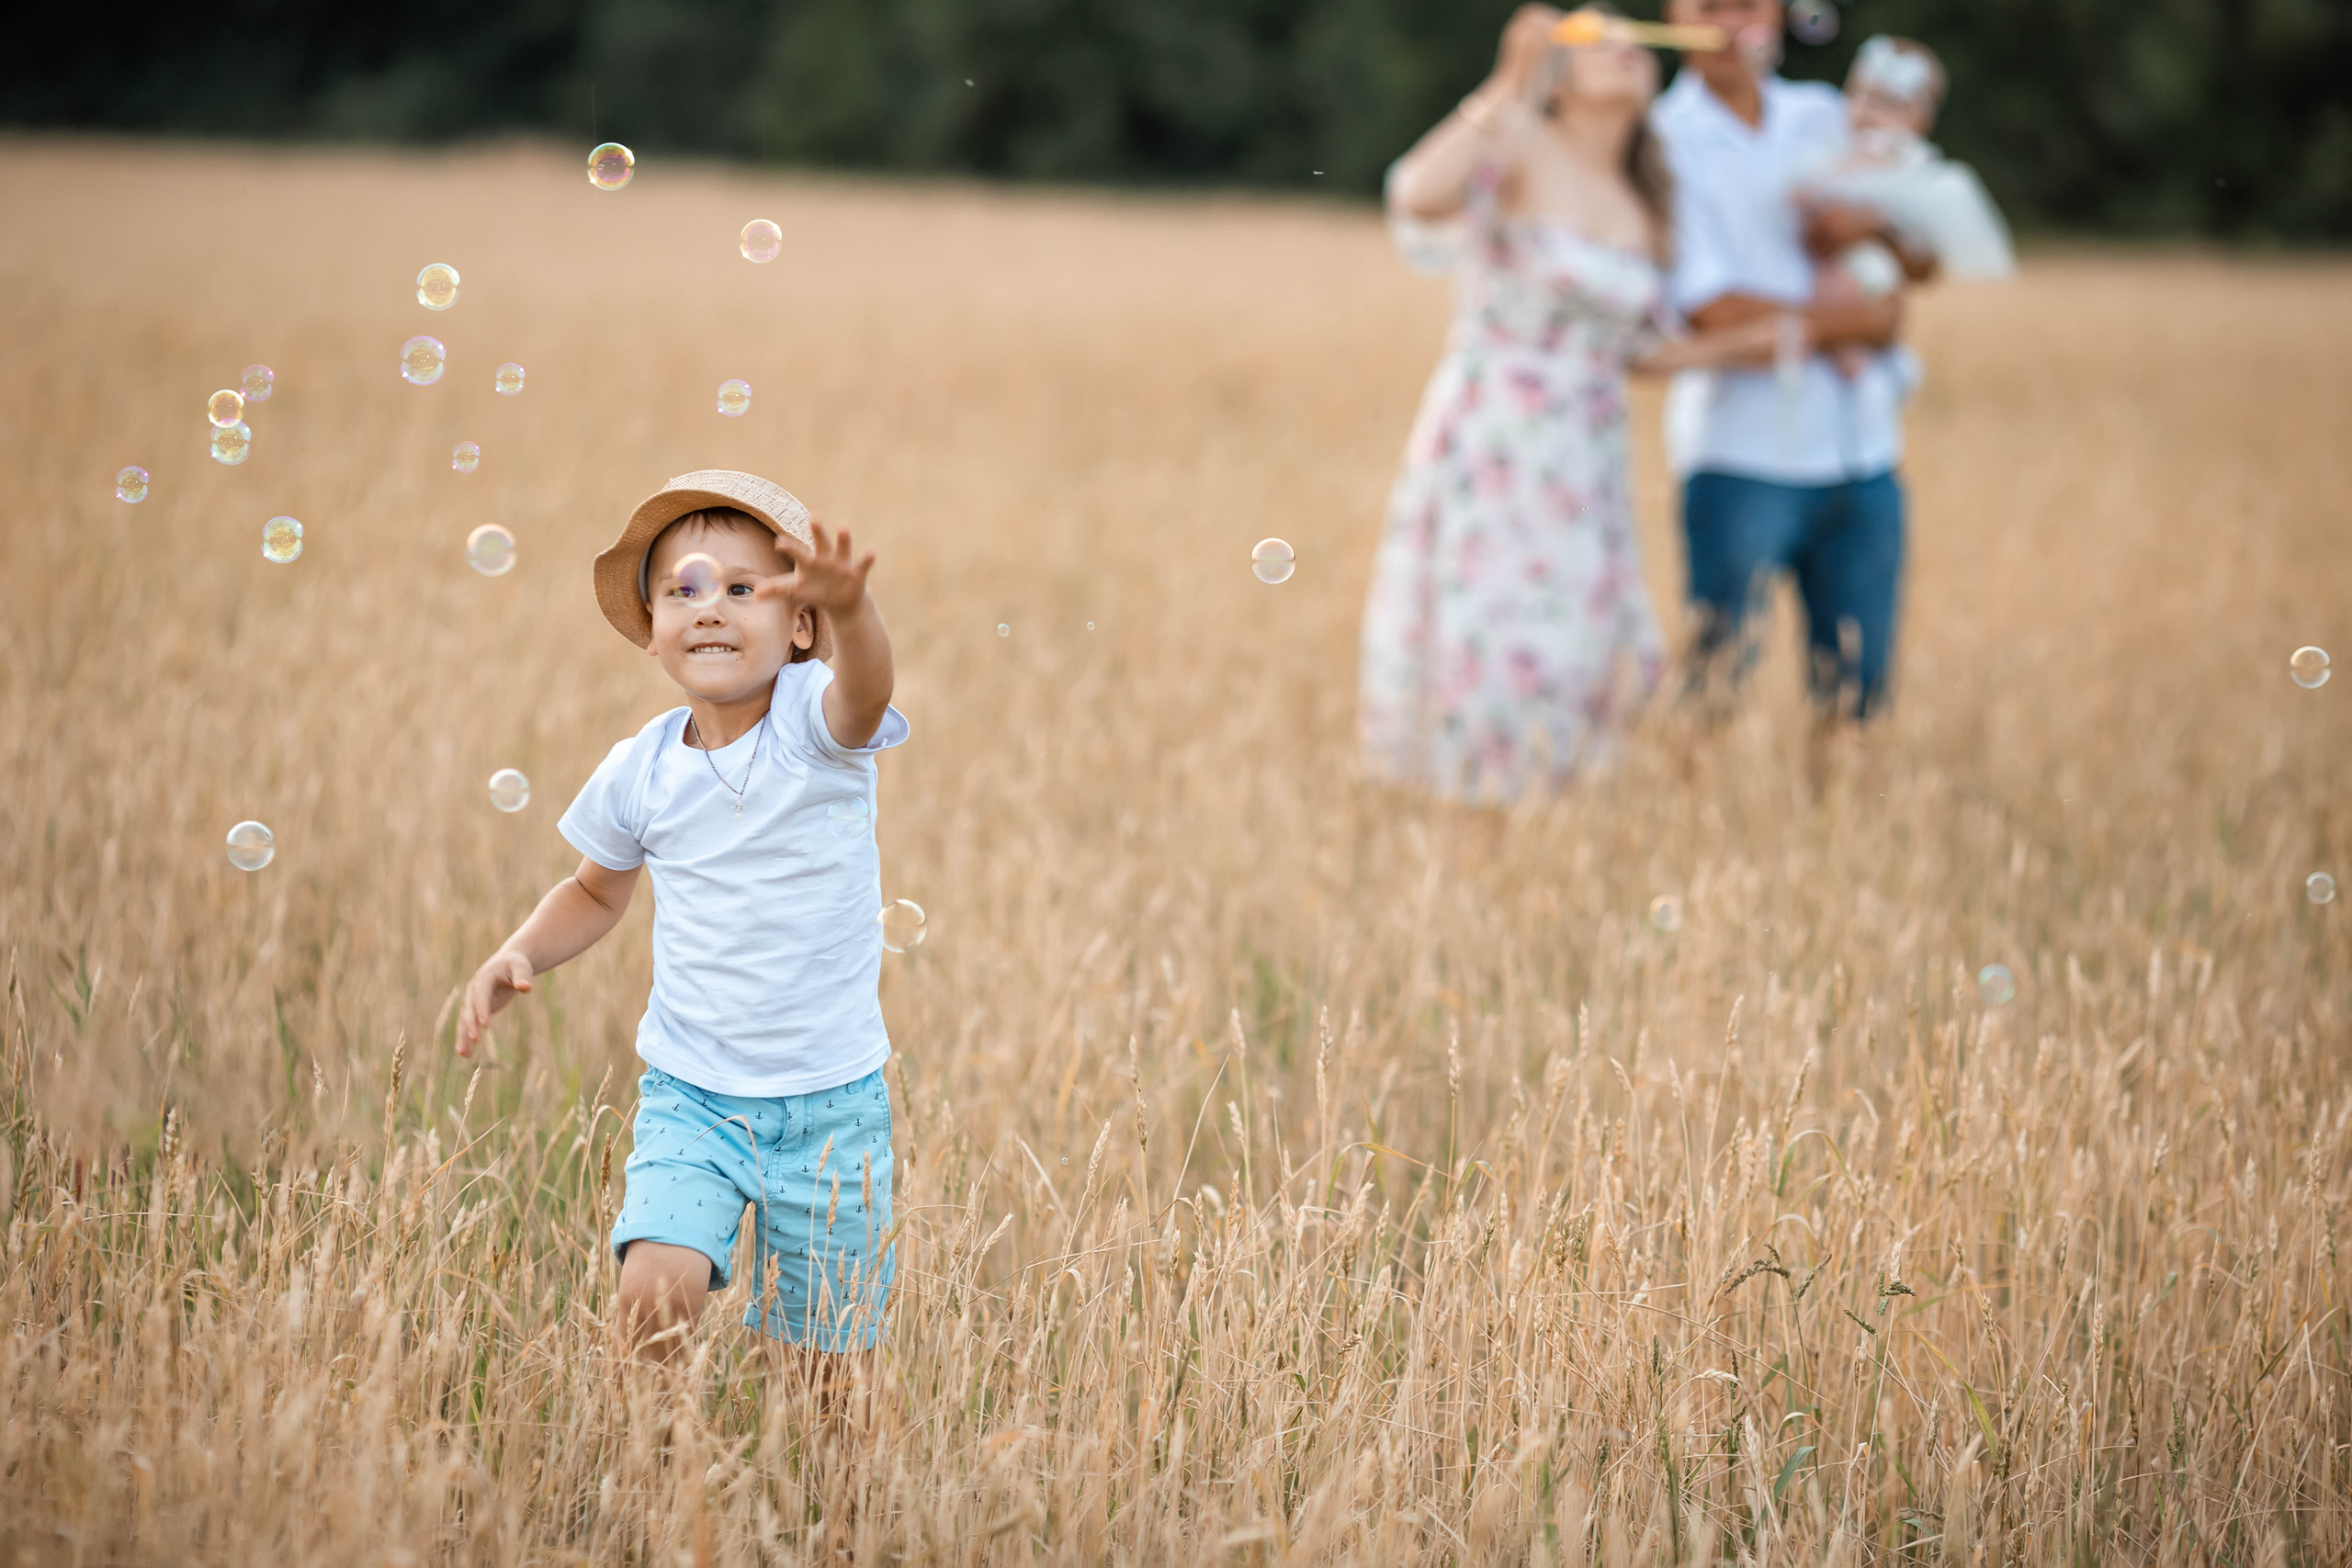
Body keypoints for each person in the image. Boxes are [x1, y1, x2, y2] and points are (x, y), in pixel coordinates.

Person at [453, 469, 908, 1373]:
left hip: (832, 1106)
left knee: (827, 1374)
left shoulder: (815, 732)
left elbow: (864, 692)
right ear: (653, 629)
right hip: (692, 1094)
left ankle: (837, 1505)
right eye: (685, 591)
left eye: (745, 590)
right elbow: (594, 891)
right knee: (654, 1291)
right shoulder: (640, 767)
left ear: (800, 626)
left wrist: (855, 613)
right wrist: (519, 951)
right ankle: (653, 1474)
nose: (711, 610)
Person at [1363, 4, 1786, 803]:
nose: (1628, 53)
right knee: (1490, 634)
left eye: (1638, 46)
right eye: (1605, 44)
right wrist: (1507, 80)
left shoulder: (1645, 197)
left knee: (1574, 643)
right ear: (1562, 77)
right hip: (1493, 443)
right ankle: (1470, 821)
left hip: (1586, 462)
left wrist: (1740, 346)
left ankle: (1546, 824)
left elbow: (1637, 351)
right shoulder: (1520, 144)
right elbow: (1417, 194)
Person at [1651, 0, 1928, 722]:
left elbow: (1916, 257)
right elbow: (1709, 307)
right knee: (1715, 682)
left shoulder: (1824, 115)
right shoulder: (1662, 140)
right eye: (1708, 7)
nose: (1729, 25)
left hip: (1862, 450)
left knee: (1858, 692)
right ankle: (1683, 825)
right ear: (1672, 14)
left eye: (1746, 5)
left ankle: (1833, 828)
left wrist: (1885, 238)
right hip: (1741, 453)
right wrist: (1861, 323)